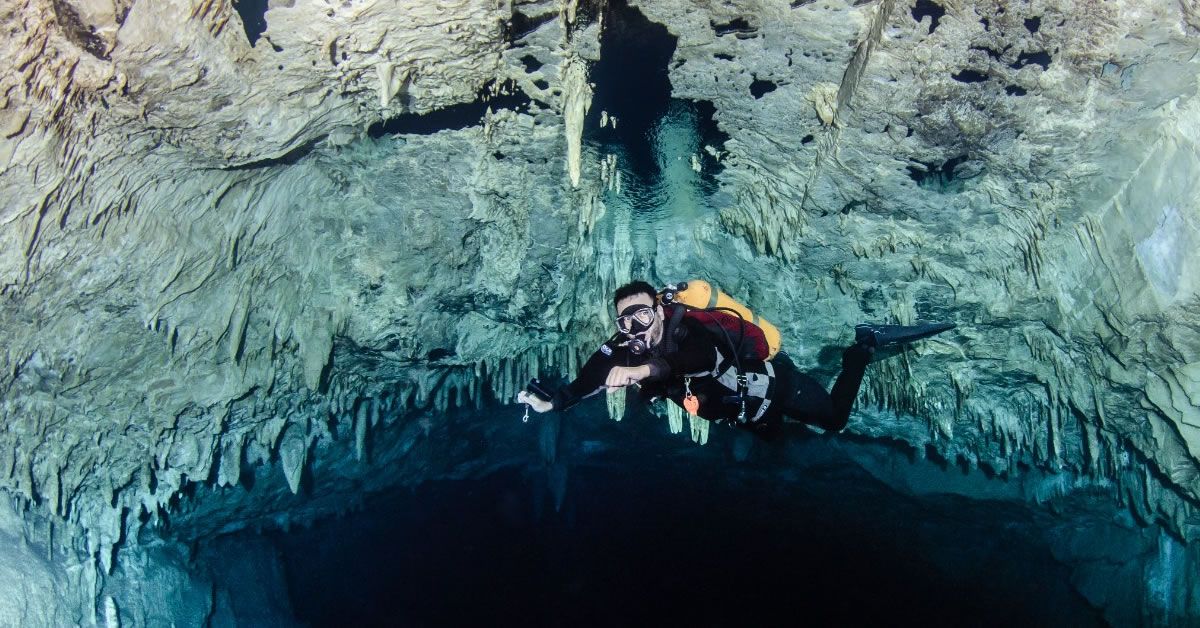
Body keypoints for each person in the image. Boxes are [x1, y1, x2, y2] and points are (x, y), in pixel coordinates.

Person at [516, 280, 950, 439]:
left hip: (778, 387)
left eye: (643, 315)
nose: (636, 328)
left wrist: (641, 370)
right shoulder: (628, 343)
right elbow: (593, 374)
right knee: (777, 441)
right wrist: (555, 402)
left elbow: (693, 360)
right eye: (625, 322)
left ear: (660, 310)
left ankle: (865, 345)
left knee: (834, 420)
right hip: (750, 415)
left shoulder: (693, 331)